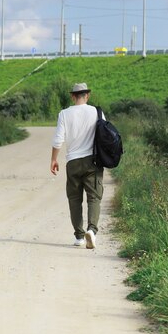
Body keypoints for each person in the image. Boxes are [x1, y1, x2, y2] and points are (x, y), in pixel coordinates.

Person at [50, 82, 104, 249]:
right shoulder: (96, 112)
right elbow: (105, 134)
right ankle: (92, 231)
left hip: (72, 162)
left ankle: (79, 236)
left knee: (74, 199)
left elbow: (58, 139)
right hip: (92, 161)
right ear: (87, 96)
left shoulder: (64, 114)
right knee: (94, 197)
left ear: (73, 96)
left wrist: (53, 159)